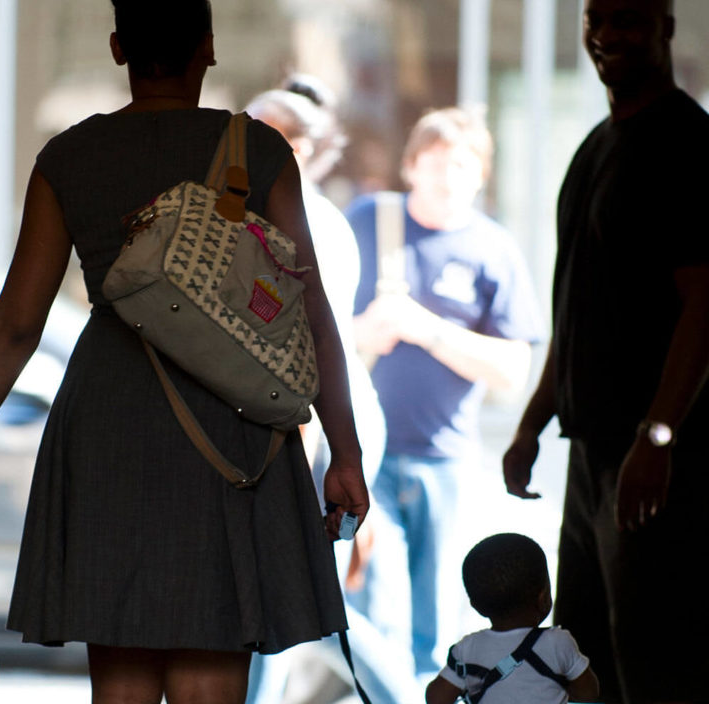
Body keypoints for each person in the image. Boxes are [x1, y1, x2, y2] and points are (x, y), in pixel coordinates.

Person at [0, 0, 369, 704]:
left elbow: (16, 326)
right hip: (233, 429)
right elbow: (312, 315)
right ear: (208, 44)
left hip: (107, 426)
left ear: (118, 46)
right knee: (211, 672)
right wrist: (344, 453)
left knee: (118, 684)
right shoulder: (258, 151)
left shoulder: (71, 156)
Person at [502, 0, 709, 704]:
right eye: (595, 19)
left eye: (627, 20)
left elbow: (706, 302)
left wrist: (659, 436)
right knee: (591, 669)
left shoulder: (689, 144)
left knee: (669, 670)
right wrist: (532, 422)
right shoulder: (596, 148)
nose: (606, 35)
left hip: (662, 472)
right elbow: (575, 309)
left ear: (665, 29)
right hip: (594, 462)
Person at [346, 107, 544, 682]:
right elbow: (311, 328)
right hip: (365, 456)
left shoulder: (493, 250)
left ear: (481, 174)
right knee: (373, 609)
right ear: (410, 166)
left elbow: (513, 371)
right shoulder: (367, 222)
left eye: (461, 164)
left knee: (434, 624)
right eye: (435, 162)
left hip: (445, 462)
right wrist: (366, 331)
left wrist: (427, 330)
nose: (447, 177)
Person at [243, 87, 413, 704]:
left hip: (311, 429)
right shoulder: (271, 216)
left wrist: (319, 457)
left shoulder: (306, 221)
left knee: (295, 609)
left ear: (300, 148)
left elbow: (309, 347)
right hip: (311, 427)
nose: (245, 141)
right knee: (299, 607)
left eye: (262, 131)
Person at [426, 533, 599, 704]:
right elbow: (589, 693)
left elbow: (436, 698)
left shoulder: (467, 649)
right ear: (543, 597)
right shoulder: (558, 643)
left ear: (476, 606)